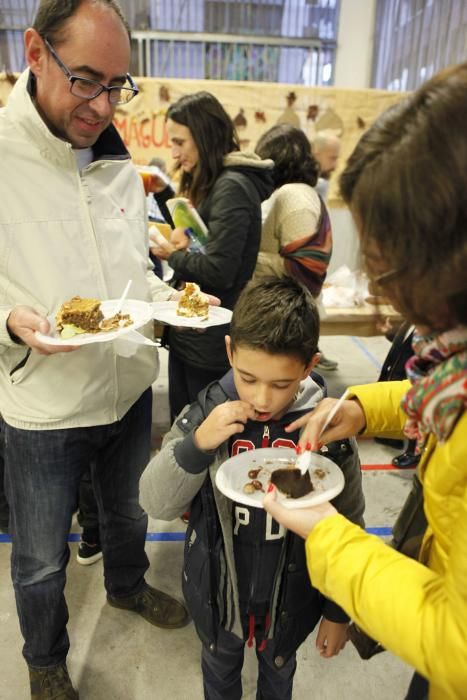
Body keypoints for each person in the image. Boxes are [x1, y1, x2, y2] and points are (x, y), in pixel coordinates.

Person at [0, 2, 191, 697]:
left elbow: (129, 268)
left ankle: (127, 586)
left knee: (128, 513)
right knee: (42, 560)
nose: (104, 103)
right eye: (87, 79)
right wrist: (6, 318)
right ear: (34, 50)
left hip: (128, 385)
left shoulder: (116, 159)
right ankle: (45, 659)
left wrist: (164, 301)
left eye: (118, 84)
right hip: (44, 405)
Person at [263, 64, 467, 699]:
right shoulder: (450, 362)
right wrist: (363, 406)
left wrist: (329, 538)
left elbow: (457, 643)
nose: (379, 290)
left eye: (391, 262)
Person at [140, 276, 365, 700]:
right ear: (229, 352)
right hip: (217, 596)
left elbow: (350, 521)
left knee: (278, 678)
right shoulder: (206, 412)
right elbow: (154, 501)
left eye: (281, 384)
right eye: (247, 377)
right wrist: (197, 444)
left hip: (291, 603)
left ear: (309, 366)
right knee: (219, 675)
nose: (262, 398)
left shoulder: (328, 428)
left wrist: (339, 612)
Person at [149, 91, 274, 419]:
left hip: (210, 339)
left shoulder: (231, 187)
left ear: (204, 136)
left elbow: (220, 270)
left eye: (180, 142)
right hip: (194, 330)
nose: (174, 153)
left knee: (202, 435)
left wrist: (170, 255)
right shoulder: (215, 181)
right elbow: (207, 244)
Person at [254, 123, 337, 373]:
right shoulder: (294, 193)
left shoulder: (294, 196)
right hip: (279, 315)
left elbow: (305, 270)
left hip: (282, 321)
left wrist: (243, 257)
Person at [311, 130, 341, 201]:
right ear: (316, 153)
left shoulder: (321, 184)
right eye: (332, 158)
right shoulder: (302, 187)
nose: (335, 166)